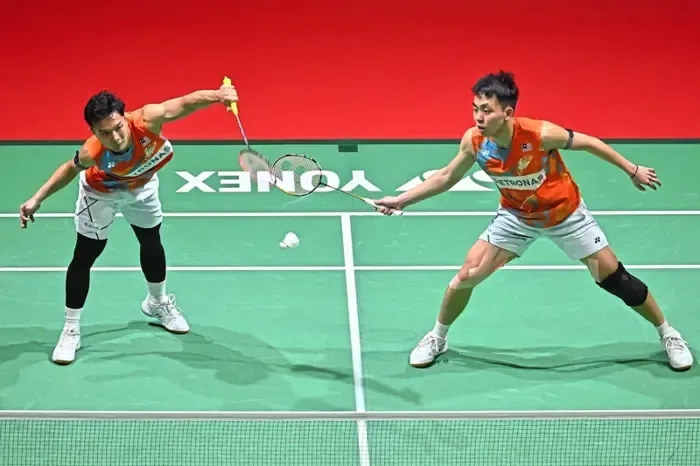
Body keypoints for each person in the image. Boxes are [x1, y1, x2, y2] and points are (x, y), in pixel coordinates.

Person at [374, 70, 693, 371]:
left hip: (566, 216)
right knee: (468, 274)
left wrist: (632, 169)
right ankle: (438, 338)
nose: (478, 117)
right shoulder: (474, 142)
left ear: (507, 113)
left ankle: (668, 334)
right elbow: (446, 177)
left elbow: (589, 143)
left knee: (612, 278)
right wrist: (401, 200)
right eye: (475, 109)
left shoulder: (540, 134)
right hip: (517, 218)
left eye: (486, 110)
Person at [19, 84, 239, 365]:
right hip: (101, 194)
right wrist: (37, 198)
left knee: (151, 240)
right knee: (86, 254)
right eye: (104, 133)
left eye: (118, 127)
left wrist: (218, 95)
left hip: (142, 187)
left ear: (125, 118)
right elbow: (69, 169)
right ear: (93, 132)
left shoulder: (148, 119)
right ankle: (71, 329)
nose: (115, 137)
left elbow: (185, 103)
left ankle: (157, 303)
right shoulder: (91, 152)